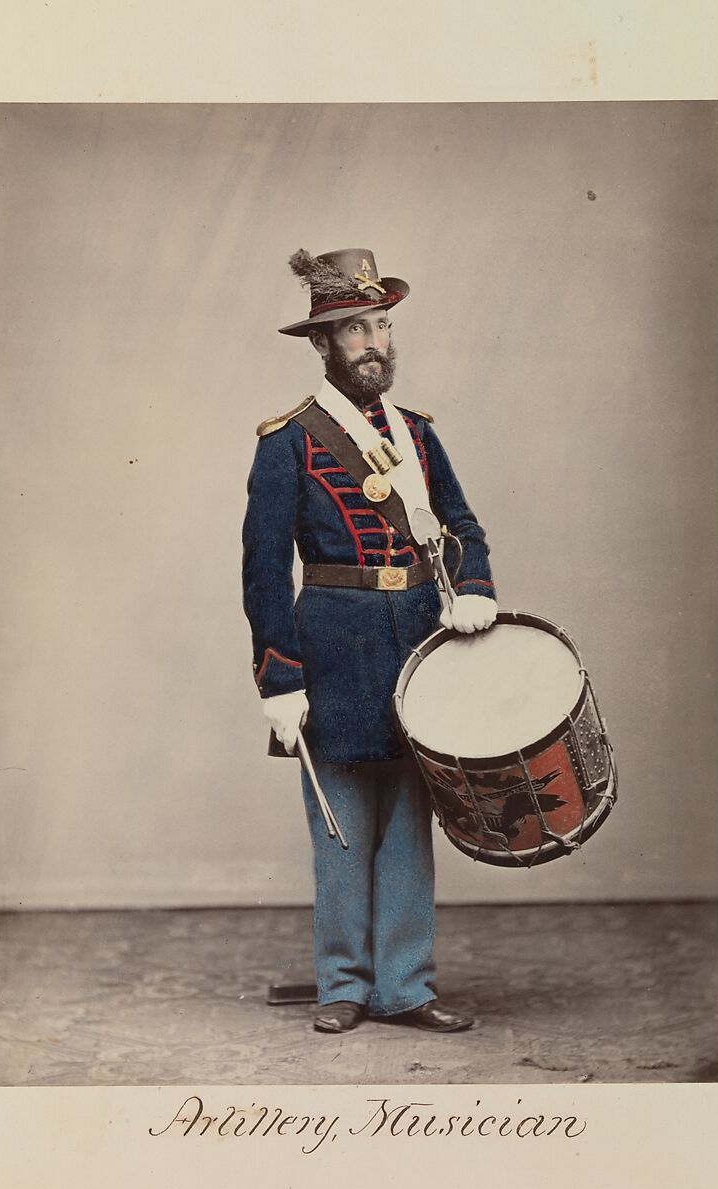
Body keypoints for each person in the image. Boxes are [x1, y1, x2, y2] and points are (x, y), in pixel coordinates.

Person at [242, 248, 498, 1034]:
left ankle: (406, 986)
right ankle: (344, 986)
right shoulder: (288, 441)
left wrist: (477, 590)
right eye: (355, 329)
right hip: (335, 644)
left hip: (420, 641)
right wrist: (279, 680)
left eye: (382, 324)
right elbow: (262, 569)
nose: (374, 342)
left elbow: (461, 527)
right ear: (322, 345)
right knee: (343, 820)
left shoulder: (418, 435)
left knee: (411, 820)